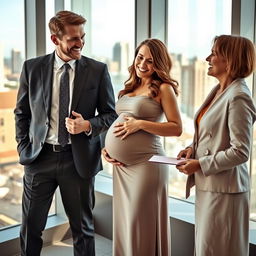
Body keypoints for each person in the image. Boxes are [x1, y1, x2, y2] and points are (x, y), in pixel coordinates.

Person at [14, 10, 116, 256]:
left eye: (82, 37)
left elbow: (110, 115)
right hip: (39, 159)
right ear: (55, 40)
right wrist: (23, 146)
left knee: (83, 230)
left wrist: (88, 125)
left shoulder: (97, 70)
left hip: (78, 160)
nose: (80, 43)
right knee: (31, 227)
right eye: (73, 39)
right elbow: (21, 113)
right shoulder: (32, 68)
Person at [176, 35, 256, 256]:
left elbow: (241, 151)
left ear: (229, 60)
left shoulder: (239, 96)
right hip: (212, 186)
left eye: (214, 53)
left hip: (224, 191)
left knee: (217, 249)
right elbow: (212, 134)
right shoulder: (220, 90)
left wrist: (199, 164)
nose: (207, 58)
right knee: (208, 248)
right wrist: (192, 149)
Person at [102, 38, 182, 255]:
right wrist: (107, 149)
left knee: (139, 224)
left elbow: (176, 128)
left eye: (150, 61)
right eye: (140, 57)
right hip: (122, 167)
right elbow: (117, 124)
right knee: (125, 223)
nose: (143, 65)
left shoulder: (164, 88)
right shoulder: (131, 86)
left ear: (160, 65)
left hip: (147, 164)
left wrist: (140, 124)